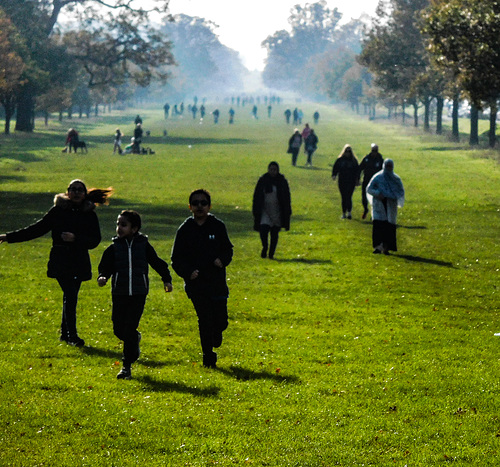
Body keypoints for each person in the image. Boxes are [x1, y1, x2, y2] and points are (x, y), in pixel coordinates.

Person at [0, 180, 112, 346]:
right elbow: (37, 229)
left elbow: (95, 240)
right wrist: (8, 237)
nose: (76, 192)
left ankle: (65, 335)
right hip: (61, 260)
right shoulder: (58, 211)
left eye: (80, 190)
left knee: (70, 296)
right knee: (71, 295)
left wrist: (76, 239)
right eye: (73, 189)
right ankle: (72, 336)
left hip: (79, 260)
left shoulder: (89, 215)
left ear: (84, 193)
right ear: (67, 192)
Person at [97, 210, 173, 380]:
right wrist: (102, 276)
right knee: (119, 329)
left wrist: (166, 280)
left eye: (123, 225)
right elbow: (105, 266)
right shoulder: (114, 247)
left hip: (138, 293)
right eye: (118, 224)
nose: (119, 228)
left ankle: (126, 367)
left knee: (129, 327)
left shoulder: (143, 245)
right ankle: (134, 340)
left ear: (134, 228)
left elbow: (157, 263)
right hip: (120, 292)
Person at [171, 189, 233, 369]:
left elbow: (228, 249)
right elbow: (176, 259)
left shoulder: (217, 226)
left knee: (220, 321)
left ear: (209, 206)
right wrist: (188, 272)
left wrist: (222, 260)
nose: (200, 206)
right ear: (190, 207)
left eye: (203, 203)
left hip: (217, 283)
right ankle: (208, 356)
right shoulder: (185, 230)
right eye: (196, 203)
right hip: (196, 285)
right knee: (204, 319)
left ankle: (217, 332)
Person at [252, 162, 292, 259]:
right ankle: (265, 247)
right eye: (271, 169)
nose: (273, 171)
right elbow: (257, 196)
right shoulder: (263, 180)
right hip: (265, 210)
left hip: (277, 211)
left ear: (278, 170)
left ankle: (271, 254)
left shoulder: (282, 182)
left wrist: (286, 211)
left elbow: (287, 197)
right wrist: (256, 209)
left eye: (275, 169)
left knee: (274, 233)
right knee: (263, 230)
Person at [366, 159, 405, 255]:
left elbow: (401, 191)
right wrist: (378, 194)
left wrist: (393, 195)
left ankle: (386, 247)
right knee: (378, 225)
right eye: (387, 166)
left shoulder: (396, 179)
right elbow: (369, 188)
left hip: (390, 204)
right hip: (379, 203)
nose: (388, 168)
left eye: (390, 166)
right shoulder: (377, 177)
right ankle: (378, 246)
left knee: (389, 226)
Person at [331, 144, 360, 219]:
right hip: (342, 181)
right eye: (346, 151)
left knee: (349, 196)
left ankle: (349, 212)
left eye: (349, 152)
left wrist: (357, 180)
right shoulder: (340, 160)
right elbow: (335, 167)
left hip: (351, 181)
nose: (348, 153)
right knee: (344, 197)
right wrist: (334, 175)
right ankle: (344, 213)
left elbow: (357, 171)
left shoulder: (354, 161)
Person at [359, 143, 384, 219]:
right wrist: (357, 178)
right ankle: (366, 209)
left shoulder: (380, 160)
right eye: (373, 151)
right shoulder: (366, 159)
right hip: (366, 180)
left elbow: (383, 171)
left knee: (375, 198)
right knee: (364, 196)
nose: (374, 152)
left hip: (376, 183)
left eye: (375, 151)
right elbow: (360, 168)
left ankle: (374, 213)